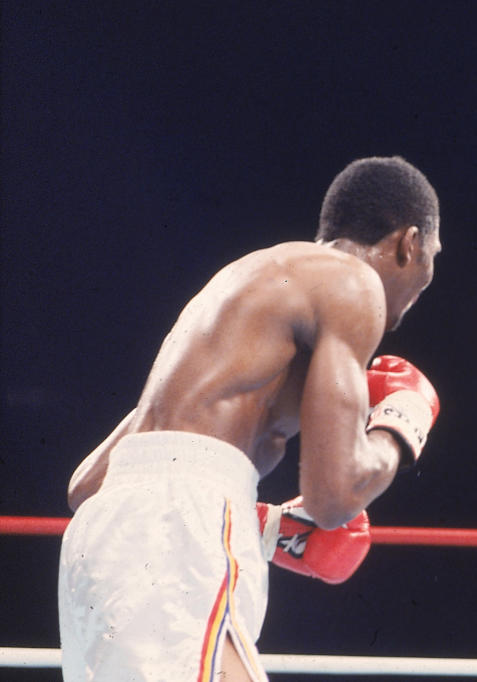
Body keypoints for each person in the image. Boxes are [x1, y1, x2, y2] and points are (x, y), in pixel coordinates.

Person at [58, 156, 443, 681]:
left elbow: (87, 486)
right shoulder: (354, 284)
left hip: (103, 544)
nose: (427, 280)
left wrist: (267, 528)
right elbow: (334, 498)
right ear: (411, 243)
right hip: (176, 534)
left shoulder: (247, 286)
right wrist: (403, 421)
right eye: (433, 258)